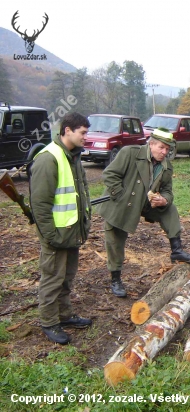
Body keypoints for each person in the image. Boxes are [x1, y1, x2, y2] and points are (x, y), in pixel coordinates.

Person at [97, 128, 190, 298]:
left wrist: (164, 200)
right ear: (151, 144)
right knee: (115, 240)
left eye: (167, 149)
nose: (164, 152)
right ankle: (116, 278)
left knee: (169, 208)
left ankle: (176, 248)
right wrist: (121, 194)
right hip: (120, 204)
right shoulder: (130, 153)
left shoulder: (166, 166)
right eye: (161, 148)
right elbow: (109, 174)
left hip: (145, 203)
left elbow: (167, 191)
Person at [30, 112, 93, 344]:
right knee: (52, 279)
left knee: (67, 278)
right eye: (83, 133)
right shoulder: (49, 158)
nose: (86, 137)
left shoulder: (73, 156)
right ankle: (49, 322)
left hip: (71, 232)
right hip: (56, 235)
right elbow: (40, 204)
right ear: (67, 130)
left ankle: (64, 315)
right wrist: (50, 235)